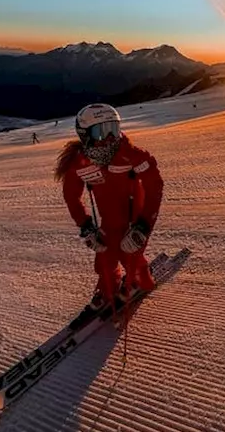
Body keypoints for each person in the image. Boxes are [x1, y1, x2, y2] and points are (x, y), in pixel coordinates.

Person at [54, 103, 163, 316]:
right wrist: (85, 226)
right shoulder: (79, 164)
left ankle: (140, 280)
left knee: (130, 253)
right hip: (109, 219)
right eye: (102, 132)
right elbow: (72, 196)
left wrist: (143, 225)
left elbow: (154, 186)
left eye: (114, 129)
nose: (112, 137)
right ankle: (108, 288)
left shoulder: (131, 154)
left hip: (134, 219)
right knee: (104, 256)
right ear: (85, 135)